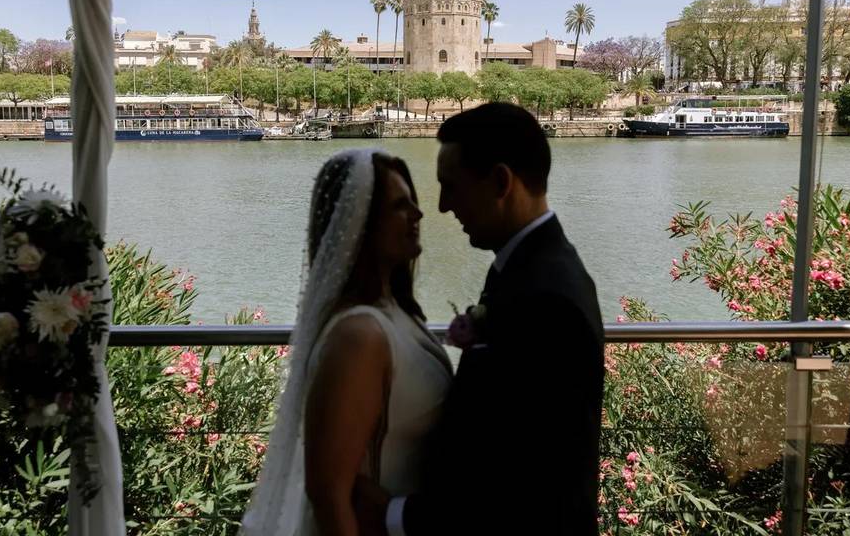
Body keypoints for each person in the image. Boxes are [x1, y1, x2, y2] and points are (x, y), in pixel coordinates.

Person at [354, 102, 605, 535]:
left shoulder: (546, 299)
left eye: (451, 187)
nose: (442, 207)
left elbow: (524, 482)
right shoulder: (525, 266)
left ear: (501, 182)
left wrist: (392, 515)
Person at [240, 149, 453, 536]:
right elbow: (330, 495)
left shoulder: (396, 315)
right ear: (362, 223)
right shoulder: (359, 337)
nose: (418, 216)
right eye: (400, 206)